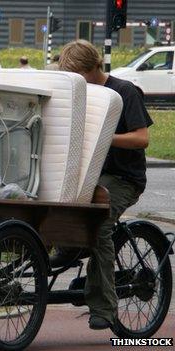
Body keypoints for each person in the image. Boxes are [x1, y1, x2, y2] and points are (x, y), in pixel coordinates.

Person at [51, 39, 153, 330]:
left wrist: (105, 137)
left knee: (100, 224)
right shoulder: (79, 92)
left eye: (80, 75)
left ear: (94, 67)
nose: (78, 82)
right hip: (91, 174)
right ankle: (68, 248)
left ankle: (103, 307)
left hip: (123, 178)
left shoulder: (124, 91)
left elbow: (141, 138)